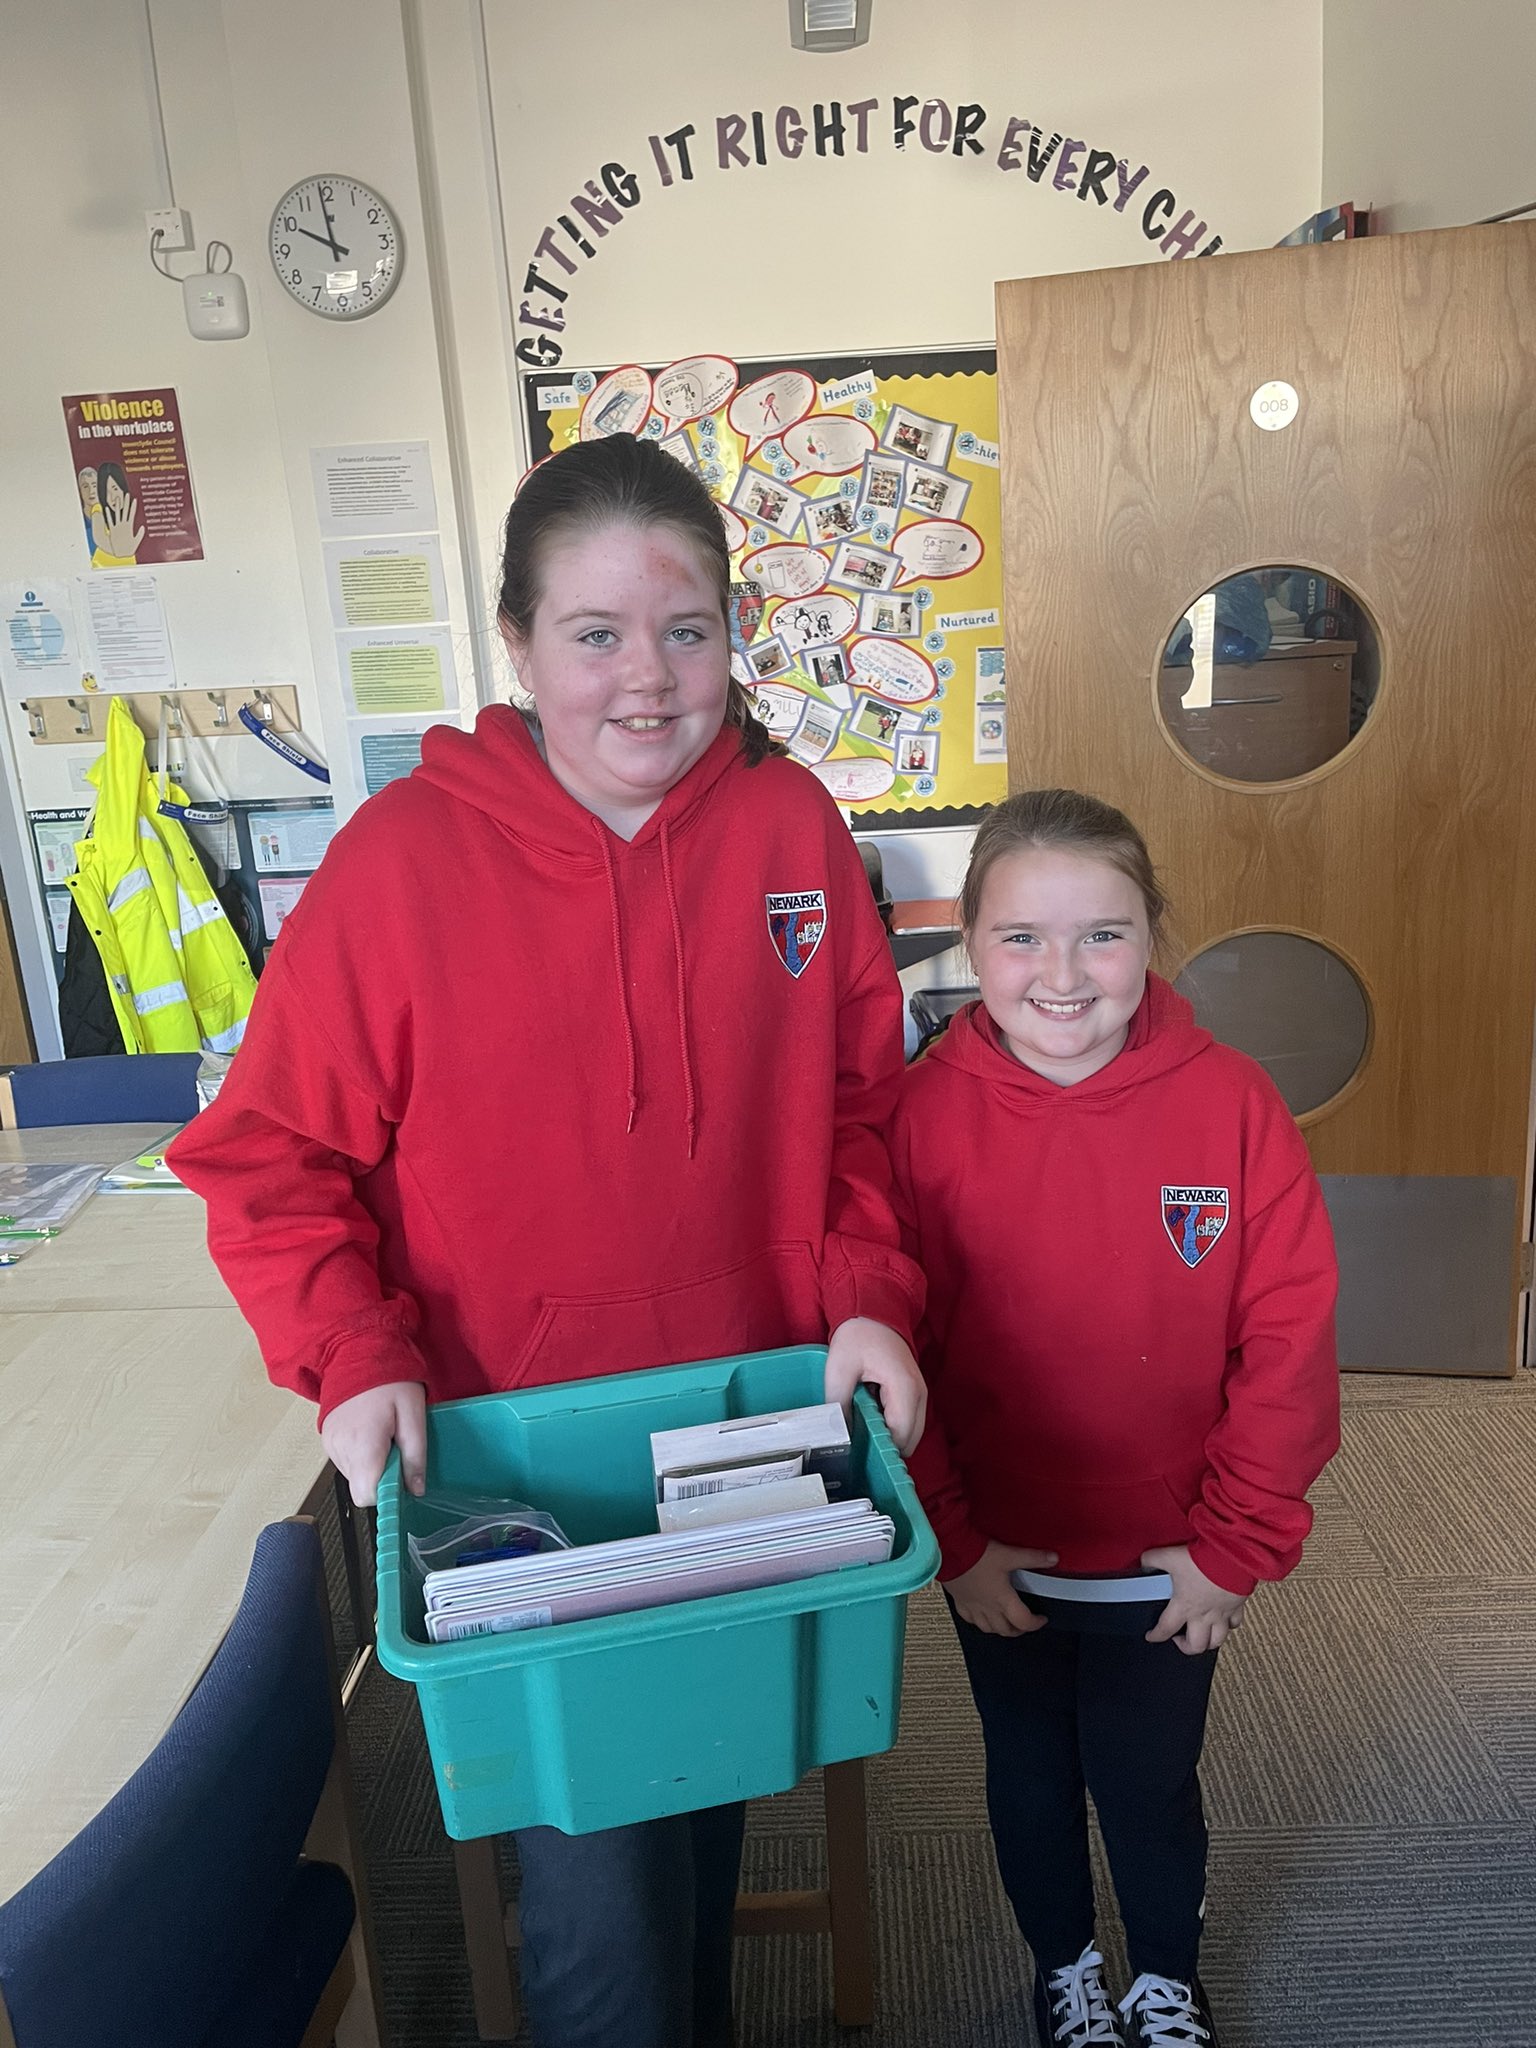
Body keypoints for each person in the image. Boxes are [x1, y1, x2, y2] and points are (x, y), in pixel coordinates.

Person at [171, 434, 927, 2048]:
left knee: (714, 1818)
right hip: (523, 1471)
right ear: (516, 644)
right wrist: (354, 1349)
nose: (645, 681)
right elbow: (266, 1155)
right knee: (598, 1923)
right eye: (594, 634)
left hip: (752, 1435)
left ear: (732, 634)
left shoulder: (794, 831)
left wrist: (866, 1293)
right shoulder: (397, 863)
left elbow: (868, 1108)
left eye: (686, 631)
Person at [890, 789, 1339, 2048]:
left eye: (1105, 933)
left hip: (1172, 1557)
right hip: (999, 1552)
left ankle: (1163, 1975)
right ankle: (1067, 1967)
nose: (1064, 974)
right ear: (969, 942)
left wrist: (1236, 1543)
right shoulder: (920, 1118)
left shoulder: (1233, 1104)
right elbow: (898, 1353)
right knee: (1029, 1776)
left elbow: (1291, 1343)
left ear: (1154, 936)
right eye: (1022, 936)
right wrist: (954, 1540)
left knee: (1148, 1782)